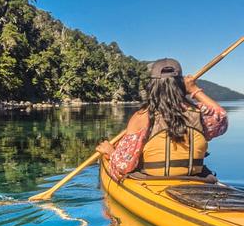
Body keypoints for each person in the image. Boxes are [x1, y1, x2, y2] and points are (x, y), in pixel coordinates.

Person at [96, 58, 228, 181]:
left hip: (154, 181)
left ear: (152, 86)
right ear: (181, 84)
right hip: (193, 179)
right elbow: (221, 118)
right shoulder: (199, 113)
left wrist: (110, 152)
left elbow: (124, 166)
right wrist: (194, 89)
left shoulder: (142, 116)